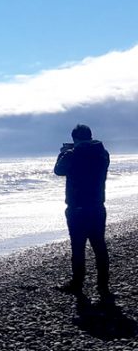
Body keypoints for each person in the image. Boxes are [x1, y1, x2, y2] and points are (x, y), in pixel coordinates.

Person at [54, 124, 111, 296]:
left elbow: (58, 170)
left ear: (75, 139)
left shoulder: (71, 155)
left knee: (78, 247)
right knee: (99, 246)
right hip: (97, 206)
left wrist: (63, 152)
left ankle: (77, 283)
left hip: (77, 208)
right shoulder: (103, 153)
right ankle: (103, 285)